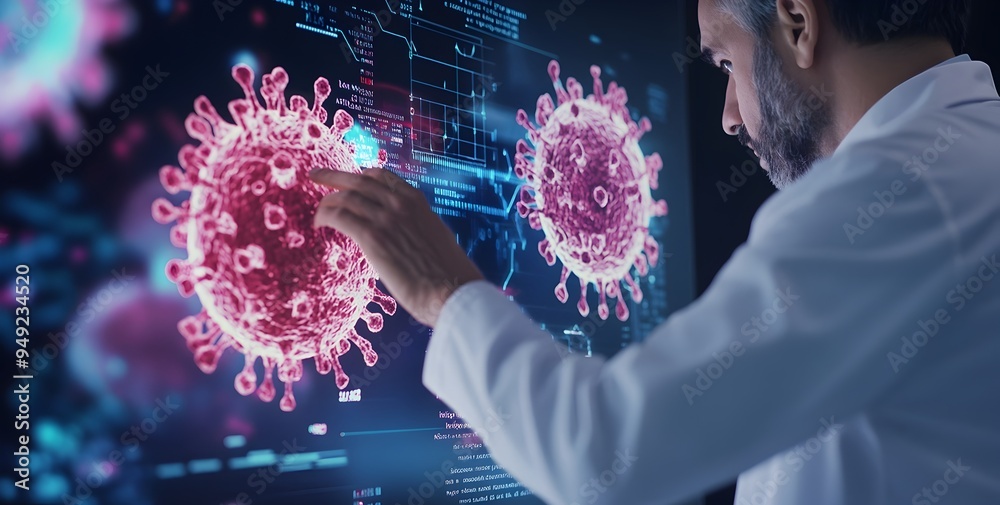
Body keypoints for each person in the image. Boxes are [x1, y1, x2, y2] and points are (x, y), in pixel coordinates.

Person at [307, 0, 1000, 503]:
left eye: (728, 61)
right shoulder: (966, 157)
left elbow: (603, 456)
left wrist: (443, 292)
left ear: (797, 22)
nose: (729, 114)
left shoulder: (891, 194)